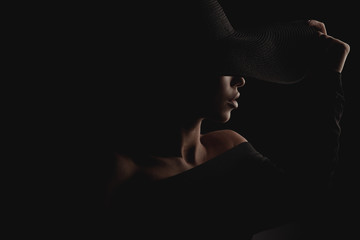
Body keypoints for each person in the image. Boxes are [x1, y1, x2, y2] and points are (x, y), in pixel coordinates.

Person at [75, 1, 350, 239]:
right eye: (227, 65)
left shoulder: (231, 147)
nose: (241, 79)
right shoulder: (119, 173)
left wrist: (329, 78)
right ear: (188, 70)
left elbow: (306, 197)